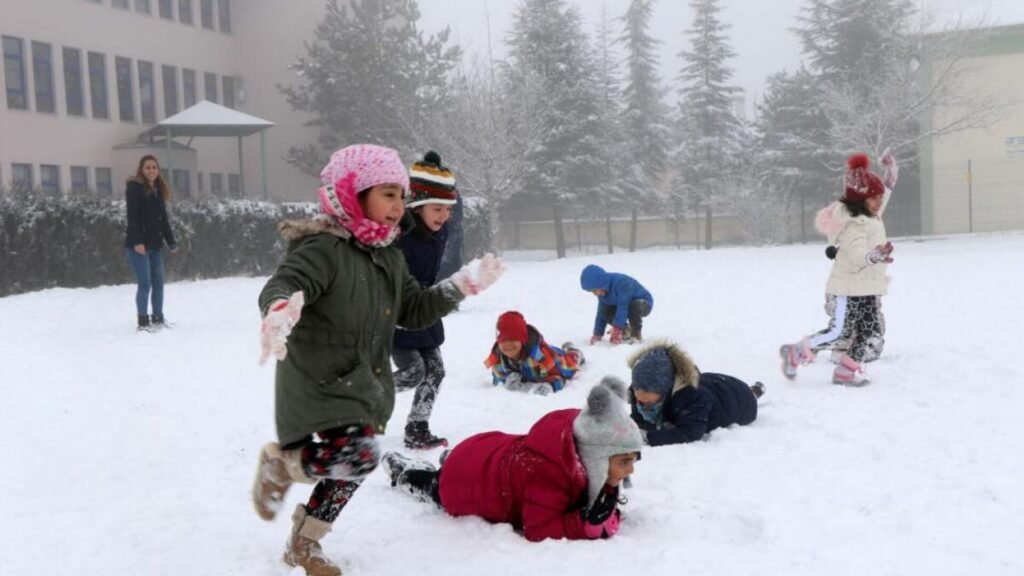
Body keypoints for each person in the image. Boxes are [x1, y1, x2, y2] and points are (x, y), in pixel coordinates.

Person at [250, 144, 504, 576]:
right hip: (320, 379)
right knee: (360, 456)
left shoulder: (387, 254)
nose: (398, 206)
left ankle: (304, 543)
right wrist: (280, 310)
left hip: (361, 381)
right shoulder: (322, 248)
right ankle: (282, 465)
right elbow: (286, 282)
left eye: (401, 196)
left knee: (352, 466)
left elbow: (414, 310)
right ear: (353, 192)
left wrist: (460, 285)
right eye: (388, 193)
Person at [381, 377, 643, 542]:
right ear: (596, 457)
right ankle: (404, 472)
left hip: (484, 450)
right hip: (464, 485)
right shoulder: (549, 472)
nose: (630, 469)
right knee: (435, 485)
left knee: (462, 464)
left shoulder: (580, 437)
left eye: (632, 460)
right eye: (624, 462)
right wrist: (581, 523)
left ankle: (451, 460)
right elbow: (537, 529)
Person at [780, 153, 898, 386]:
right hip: (848, 288)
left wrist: (890, 173)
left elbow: (885, 192)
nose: (879, 201)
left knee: (869, 330)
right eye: (874, 198)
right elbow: (856, 258)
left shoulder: (871, 215)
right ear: (861, 200)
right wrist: (876, 255)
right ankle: (795, 352)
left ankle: (846, 370)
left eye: (879, 198)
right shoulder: (855, 224)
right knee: (839, 332)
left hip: (867, 288)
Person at [392, 152, 459, 450]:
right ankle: (363, 399)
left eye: (447, 209)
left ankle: (417, 426)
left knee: (435, 370)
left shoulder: (440, 229)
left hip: (425, 308)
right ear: (417, 205)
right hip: (398, 314)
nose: (443, 215)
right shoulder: (398, 232)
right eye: (437, 208)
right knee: (412, 372)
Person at [628, 341, 763, 446]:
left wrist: (648, 438)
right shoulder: (638, 393)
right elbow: (637, 420)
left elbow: (691, 432)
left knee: (749, 395)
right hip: (714, 383)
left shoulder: (692, 398)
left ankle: (755, 391)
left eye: (648, 399)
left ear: (666, 390)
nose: (640, 400)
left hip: (740, 399)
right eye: (637, 392)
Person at [124, 154, 177, 331]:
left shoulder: (158, 190)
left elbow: (163, 219)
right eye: (148, 167)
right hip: (138, 245)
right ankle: (143, 321)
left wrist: (171, 241)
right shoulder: (134, 188)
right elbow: (133, 217)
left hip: (155, 245)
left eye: (154, 167)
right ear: (141, 169)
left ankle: (158, 317)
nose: (151, 170)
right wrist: (138, 241)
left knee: (159, 283)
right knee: (145, 283)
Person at [483, 311, 585, 396]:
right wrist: (506, 380)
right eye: (503, 341)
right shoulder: (498, 356)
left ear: (522, 340)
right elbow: (497, 377)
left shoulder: (540, 356)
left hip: (556, 359)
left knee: (569, 361)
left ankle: (573, 351)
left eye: (513, 339)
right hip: (544, 357)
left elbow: (558, 376)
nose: (508, 345)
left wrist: (548, 385)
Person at [579, 264, 653, 345]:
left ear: (601, 284)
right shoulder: (602, 292)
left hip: (642, 303)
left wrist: (617, 328)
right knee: (605, 311)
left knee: (633, 307)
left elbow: (623, 306)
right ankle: (625, 330)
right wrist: (597, 334)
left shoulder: (622, 283)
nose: (595, 294)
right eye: (592, 292)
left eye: (595, 291)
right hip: (622, 305)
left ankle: (636, 335)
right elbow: (600, 314)